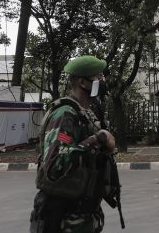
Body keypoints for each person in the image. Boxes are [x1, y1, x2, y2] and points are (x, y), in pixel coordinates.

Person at [30, 56, 116, 233]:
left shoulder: (84, 114)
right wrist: (98, 139)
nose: (102, 82)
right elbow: (54, 166)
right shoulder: (65, 115)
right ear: (83, 82)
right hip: (64, 221)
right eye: (98, 78)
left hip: (83, 217)